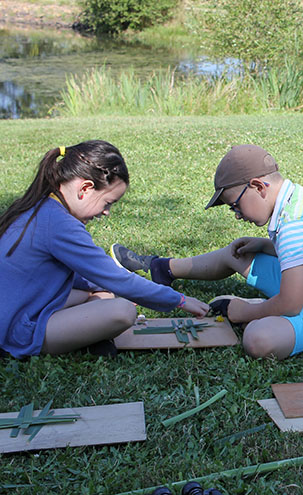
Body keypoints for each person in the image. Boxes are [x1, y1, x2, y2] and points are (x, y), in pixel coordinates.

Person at [111, 144, 303, 360]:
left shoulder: (295, 224)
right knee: (237, 253)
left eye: (235, 205)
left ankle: (258, 310)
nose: (237, 215)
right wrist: (264, 245)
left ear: (258, 186)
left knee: (258, 339)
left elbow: (291, 305)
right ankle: (162, 267)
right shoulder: (296, 199)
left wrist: (244, 311)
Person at [0, 141, 209, 359]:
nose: (106, 212)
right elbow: (116, 278)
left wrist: (125, 288)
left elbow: (93, 278)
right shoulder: (60, 223)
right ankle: (81, 339)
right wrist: (179, 300)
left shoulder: (44, 206)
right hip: (15, 331)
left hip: (23, 309)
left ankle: (86, 336)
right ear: (86, 188)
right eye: (108, 202)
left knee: (100, 293)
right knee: (123, 311)